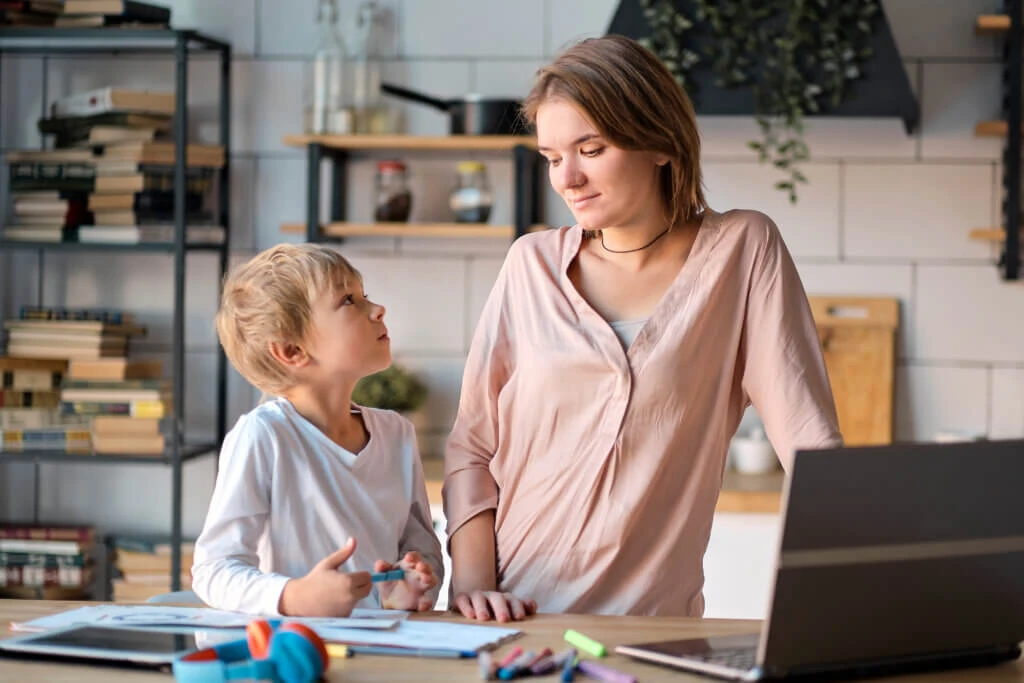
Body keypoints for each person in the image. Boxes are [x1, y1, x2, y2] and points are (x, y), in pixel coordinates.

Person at [443, 35, 841, 622]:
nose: (568, 179)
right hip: (513, 620)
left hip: (652, 632)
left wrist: (870, 577)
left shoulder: (742, 251)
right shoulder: (530, 266)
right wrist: (473, 589)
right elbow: (473, 446)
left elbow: (809, 445)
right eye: (553, 158)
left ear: (659, 142)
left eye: (591, 148)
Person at [192, 243, 442, 617]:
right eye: (348, 301)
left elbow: (422, 548)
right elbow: (213, 570)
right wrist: (293, 597)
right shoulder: (263, 437)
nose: (377, 309)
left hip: (385, 648)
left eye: (365, 295)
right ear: (292, 350)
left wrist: (414, 586)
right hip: (293, 656)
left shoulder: (397, 434)